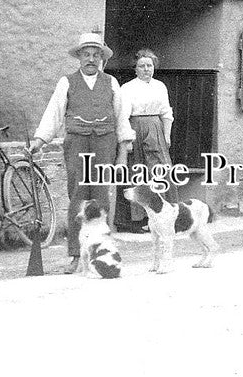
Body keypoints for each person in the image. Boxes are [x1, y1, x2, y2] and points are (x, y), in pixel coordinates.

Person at [29, 32, 134, 273]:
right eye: (86, 54)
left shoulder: (111, 83)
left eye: (95, 55)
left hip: (104, 143)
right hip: (76, 143)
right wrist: (39, 140)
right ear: (79, 57)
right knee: (78, 196)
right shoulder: (67, 82)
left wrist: (122, 153)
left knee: (101, 197)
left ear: (101, 59)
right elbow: (54, 113)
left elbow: (121, 118)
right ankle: (76, 255)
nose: (91, 59)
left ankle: (101, 252)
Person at [118, 48, 175, 233]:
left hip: (156, 129)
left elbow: (166, 113)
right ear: (135, 68)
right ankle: (137, 220)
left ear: (154, 67)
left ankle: (164, 215)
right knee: (138, 172)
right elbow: (123, 116)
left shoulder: (160, 86)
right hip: (136, 129)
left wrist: (166, 135)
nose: (146, 69)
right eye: (141, 66)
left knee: (159, 170)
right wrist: (127, 140)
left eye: (149, 65)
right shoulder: (127, 88)